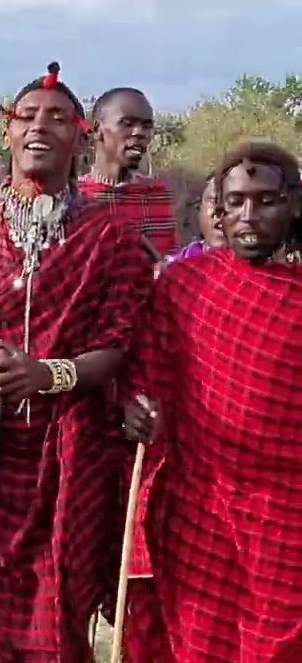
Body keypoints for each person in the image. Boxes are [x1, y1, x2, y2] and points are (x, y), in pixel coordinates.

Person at [0, 63, 153, 662]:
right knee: (0, 610)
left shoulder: (110, 235)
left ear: (81, 137)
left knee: (63, 607)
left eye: (57, 118)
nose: (39, 126)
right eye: (26, 115)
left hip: (75, 445)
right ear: (7, 132)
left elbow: (115, 347)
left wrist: (46, 373)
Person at [122, 142, 301, 662]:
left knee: (278, 643)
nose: (249, 215)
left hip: (286, 511)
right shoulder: (183, 284)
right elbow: (146, 373)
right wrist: (135, 410)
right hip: (201, 505)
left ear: (292, 204)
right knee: (198, 642)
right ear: (217, 209)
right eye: (236, 201)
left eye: (265, 201)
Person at [79, 87, 180, 256]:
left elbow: (170, 262)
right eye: (127, 124)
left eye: (146, 126)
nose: (139, 133)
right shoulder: (76, 198)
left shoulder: (155, 194)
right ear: (98, 130)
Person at [166, 174, 224, 263]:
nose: (222, 211)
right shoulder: (173, 267)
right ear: (199, 208)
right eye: (214, 201)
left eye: (236, 203)